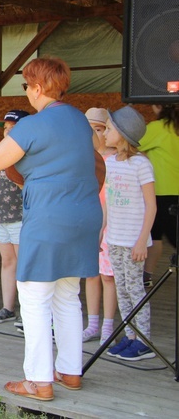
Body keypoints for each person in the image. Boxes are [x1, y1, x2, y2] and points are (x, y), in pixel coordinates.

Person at [0, 57, 101, 401]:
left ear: (36, 87)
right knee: (66, 294)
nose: (27, 92)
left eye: (26, 85)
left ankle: (38, 380)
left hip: (50, 217)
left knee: (33, 299)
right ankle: (70, 371)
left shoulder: (33, 124)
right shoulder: (79, 119)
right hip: (86, 214)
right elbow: (86, 160)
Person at [103, 107, 157, 361]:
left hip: (133, 241)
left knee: (135, 289)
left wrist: (142, 240)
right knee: (122, 289)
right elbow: (107, 203)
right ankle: (130, 335)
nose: (105, 132)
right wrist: (101, 231)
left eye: (109, 128)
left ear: (123, 135)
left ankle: (143, 340)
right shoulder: (110, 163)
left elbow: (151, 205)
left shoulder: (141, 164)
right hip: (114, 238)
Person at [0, 111, 28, 324]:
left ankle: (26, 311)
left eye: (13, 127)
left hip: (20, 216)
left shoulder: (28, 155)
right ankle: (7, 308)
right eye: (5, 128)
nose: (8, 131)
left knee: (24, 264)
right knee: (7, 262)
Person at [82, 107, 117, 345]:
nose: (94, 134)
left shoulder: (114, 160)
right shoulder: (84, 159)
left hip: (111, 223)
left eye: (99, 129)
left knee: (108, 276)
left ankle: (108, 326)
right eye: (89, 129)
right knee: (91, 274)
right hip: (88, 220)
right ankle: (92, 324)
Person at [141, 105, 179, 288]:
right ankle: (146, 277)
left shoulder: (157, 128)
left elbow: (131, 143)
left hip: (162, 193)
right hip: (173, 191)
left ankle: (147, 276)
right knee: (157, 235)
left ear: (157, 106)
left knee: (158, 236)